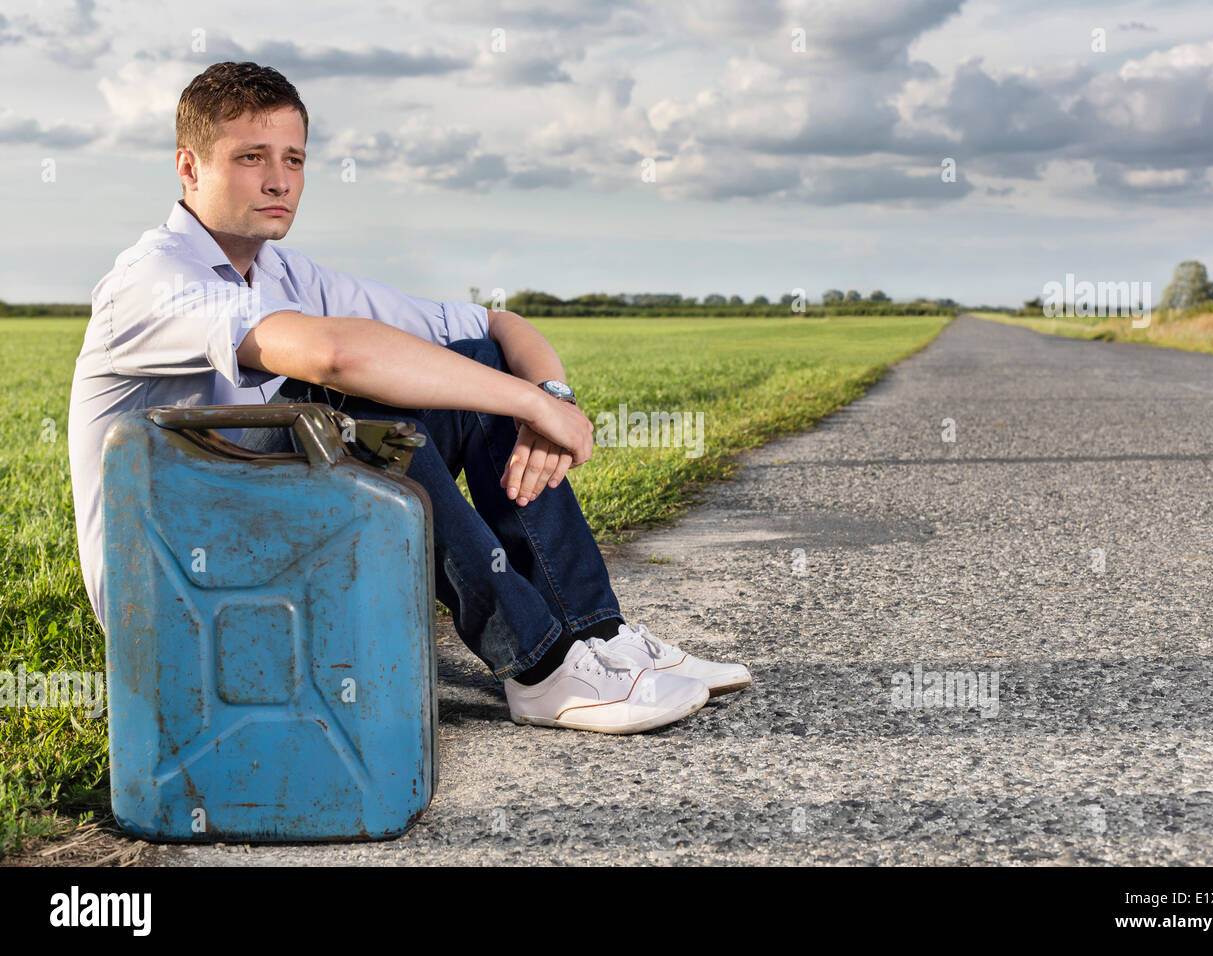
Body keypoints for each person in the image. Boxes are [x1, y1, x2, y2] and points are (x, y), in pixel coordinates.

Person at [67, 61, 751, 734]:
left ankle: (595, 637)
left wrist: (549, 395)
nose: (279, 180)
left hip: (266, 543)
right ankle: (539, 668)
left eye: (295, 159)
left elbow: (494, 327)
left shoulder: (283, 271)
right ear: (188, 168)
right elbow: (336, 355)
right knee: (347, 411)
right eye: (251, 157)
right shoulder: (152, 278)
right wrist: (533, 406)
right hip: (174, 591)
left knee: (474, 369)